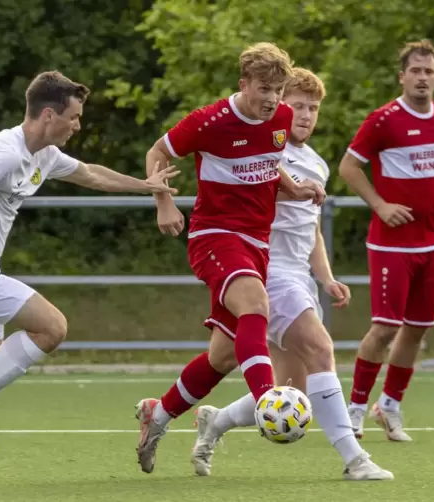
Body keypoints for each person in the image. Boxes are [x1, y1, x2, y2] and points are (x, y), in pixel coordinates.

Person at [0, 70, 178, 484]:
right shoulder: (4, 152)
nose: (78, 125)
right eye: (73, 117)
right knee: (52, 328)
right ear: (49, 114)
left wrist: (145, 186)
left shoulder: (45, 154)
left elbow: (90, 174)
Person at [188, 68, 393, 481]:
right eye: (296, 105)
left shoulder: (316, 162)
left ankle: (216, 421)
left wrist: (327, 277)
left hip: (298, 277)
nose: (304, 114)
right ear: (280, 105)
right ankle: (355, 459)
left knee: (294, 392)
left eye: (312, 108)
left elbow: (311, 229)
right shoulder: (267, 148)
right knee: (321, 348)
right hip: (268, 271)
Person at [134, 43, 326, 474]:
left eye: (278, 89)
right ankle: (268, 402)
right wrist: (163, 202)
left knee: (223, 356)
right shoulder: (210, 121)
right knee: (257, 304)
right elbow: (156, 152)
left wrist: (293, 186)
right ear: (243, 85)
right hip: (215, 236)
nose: (273, 99)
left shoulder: (279, 119)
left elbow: (269, 162)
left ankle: (157, 415)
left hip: (256, 243)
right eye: (264, 88)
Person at [339, 40, 434, 441]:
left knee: (417, 329)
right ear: (402, 77)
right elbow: (348, 167)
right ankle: (356, 408)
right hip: (391, 244)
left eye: (428, 71)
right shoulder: (383, 120)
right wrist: (380, 205)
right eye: (415, 71)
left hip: (432, 242)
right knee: (384, 328)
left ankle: (390, 406)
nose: (422, 78)